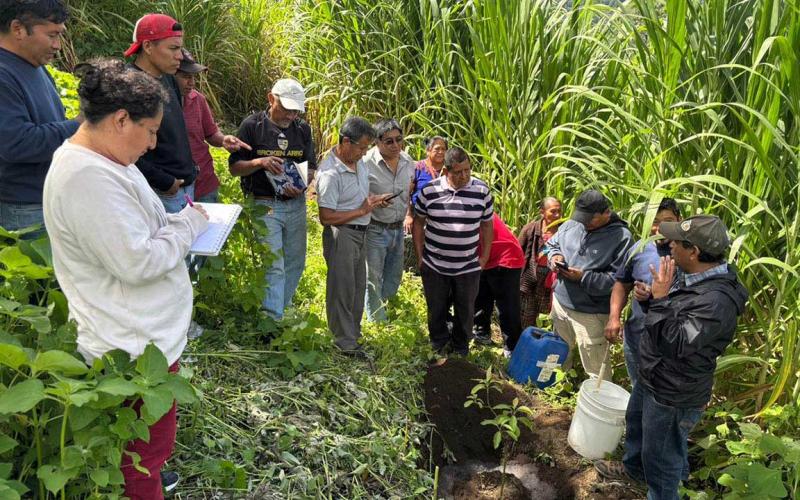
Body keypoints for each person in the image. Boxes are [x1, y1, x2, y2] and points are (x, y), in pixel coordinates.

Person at [42, 59, 209, 500]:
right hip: (131, 346)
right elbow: (136, 260)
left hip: (145, 336)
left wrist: (173, 227)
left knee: (149, 452)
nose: (153, 144)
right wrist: (188, 226)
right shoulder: (85, 176)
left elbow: (145, 232)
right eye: (150, 131)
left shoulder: (111, 159)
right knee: (139, 459)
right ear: (120, 119)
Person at [595, 215, 748, 500]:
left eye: (676, 242)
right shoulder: (693, 274)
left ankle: (659, 490)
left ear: (694, 251)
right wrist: (651, 297)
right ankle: (634, 471)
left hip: (673, 391)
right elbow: (675, 318)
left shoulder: (717, 301)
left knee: (662, 460)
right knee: (637, 422)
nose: (669, 245)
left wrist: (662, 299)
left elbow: (677, 344)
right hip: (654, 374)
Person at [229, 78, 316, 320]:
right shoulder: (252, 126)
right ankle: (271, 319)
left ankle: (282, 308)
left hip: (295, 204)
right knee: (274, 264)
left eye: (295, 110)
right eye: (286, 108)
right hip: (264, 204)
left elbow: (310, 167)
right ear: (271, 98)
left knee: (295, 260)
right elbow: (235, 168)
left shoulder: (302, 130)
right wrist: (259, 162)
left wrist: (301, 186)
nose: (290, 115)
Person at [0, 0, 79, 233]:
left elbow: (48, 125)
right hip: (23, 208)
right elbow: (17, 143)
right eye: (52, 35)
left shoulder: (35, 67)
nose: (58, 45)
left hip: (45, 199)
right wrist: (79, 125)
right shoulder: (3, 74)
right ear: (18, 29)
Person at [316, 117, 389, 354]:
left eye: (366, 148)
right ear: (346, 142)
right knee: (342, 288)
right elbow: (326, 217)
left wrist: (374, 202)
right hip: (342, 235)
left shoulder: (358, 162)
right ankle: (343, 342)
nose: (363, 152)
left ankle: (353, 336)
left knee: (357, 288)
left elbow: (358, 199)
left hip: (361, 232)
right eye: (361, 147)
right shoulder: (330, 174)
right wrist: (361, 210)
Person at [413, 146, 493, 356]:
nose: (464, 176)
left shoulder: (482, 191)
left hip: (468, 265)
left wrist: (483, 258)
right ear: (446, 171)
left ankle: (461, 347)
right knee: (436, 308)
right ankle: (438, 343)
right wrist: (420, 256)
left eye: (467, 170)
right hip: (435, 264)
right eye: (458, 172)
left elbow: (487, 225)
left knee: (465, 310)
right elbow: (418, 223)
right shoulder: (429, 191)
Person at [547, 189, 633, 379]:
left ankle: (597, 401)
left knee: (595, 368)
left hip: (591, 313)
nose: (583, 223)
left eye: (589, 219)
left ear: (606, 213)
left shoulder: (621, 237)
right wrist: (555, 258)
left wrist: (584, 277)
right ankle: (556, 386)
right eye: (581, 218)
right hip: (561, 304)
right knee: (559, 352)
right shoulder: (573, 224)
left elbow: (618, 281)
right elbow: (553, 244)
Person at [604, 198, 680, 387]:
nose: (660, 228)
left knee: (660, 396)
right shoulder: (640, 248)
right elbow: (622, 284)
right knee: (638, 388)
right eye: (655, 221)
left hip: (669, 345)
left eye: (668, 221)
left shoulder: (688, 254)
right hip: (636, 337)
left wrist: (656, 295)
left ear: (680, 219)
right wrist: (614, 317)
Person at [124, 13, 196, 213]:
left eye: (180, 48)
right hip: (160, 192)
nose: (180, 56)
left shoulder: (169, 78)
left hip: (186, 186)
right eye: (173, 48)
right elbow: (123, 147)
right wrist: (164, 181)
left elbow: (174, 134)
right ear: (147, 47)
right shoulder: (129, 86)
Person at [174, 48, 250, 203]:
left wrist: (223, 140)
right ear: (170, 75)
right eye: (185, 77)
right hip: (174, 185)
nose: (191, 83)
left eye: (193, 77)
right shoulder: (159, 103)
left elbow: (211, 134)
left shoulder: (198, 100)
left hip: (204, 181)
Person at [363, 118, 415, 321]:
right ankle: (376, 319)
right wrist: (373, 201)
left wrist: (408, 214)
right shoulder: (366, 162)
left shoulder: (407, 160)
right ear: (377, 142)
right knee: (373, 276)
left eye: (399, 139)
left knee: (394, 274)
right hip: (375, 227)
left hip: (398, 228)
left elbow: (408, 192)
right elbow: (357, 196)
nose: (396, 145)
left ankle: (384, 306)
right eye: (389, 141)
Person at [472, 213, 525, 356]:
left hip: (506, 257)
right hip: (486, 258)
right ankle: (481, 333)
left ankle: (512, 347)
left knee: (507, 306)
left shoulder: (475, 206)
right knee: (481, 296)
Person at [518, 197, 562, 328]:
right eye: (553, 212)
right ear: (542, 212)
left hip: (552, 278)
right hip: (531, 276)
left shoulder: (564, 231)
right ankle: (525, 342)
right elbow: (518, 250)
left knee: (550, 316)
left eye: (559, 211)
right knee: (526, 315)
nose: (557, 215)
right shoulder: (530, 229)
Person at [404, 136, 448, 233]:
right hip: (420, 217)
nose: (441, 152)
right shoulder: (418, 168)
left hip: (444, 217)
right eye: (437, 149)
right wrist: (408, 215)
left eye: (443, 149)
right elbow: (406, 192)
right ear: (428, 150)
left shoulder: (450, 169)